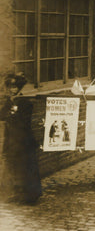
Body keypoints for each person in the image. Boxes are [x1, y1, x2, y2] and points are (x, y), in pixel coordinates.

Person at [0, 74, 42, 204]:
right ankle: (17, 193)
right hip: (12, 139)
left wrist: (12, 115)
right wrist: (9, 109)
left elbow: (23, 122)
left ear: (19, 88)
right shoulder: (10, 101)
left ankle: (30, 196)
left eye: (15, 87)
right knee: (14, 167)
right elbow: (1, 115)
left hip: (24, 140)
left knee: (26, 167)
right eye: (11, 87)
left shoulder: (25, 102)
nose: (13, 90)